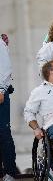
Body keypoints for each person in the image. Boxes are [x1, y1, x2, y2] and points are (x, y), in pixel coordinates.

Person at [0, 35, 17, 181]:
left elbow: (5, 68)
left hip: (0, 92)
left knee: (3, 131)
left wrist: (1, 89)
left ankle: (10, 171)